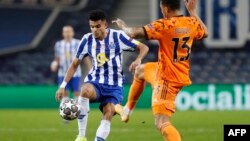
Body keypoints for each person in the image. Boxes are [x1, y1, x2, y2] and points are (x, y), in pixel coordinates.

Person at [112, 0, 208, 140]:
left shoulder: (164, 25)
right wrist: (193, 12)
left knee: (161, 123)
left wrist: (123, 26)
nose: (162, 11)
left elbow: (132, 33)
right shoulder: (191, 23)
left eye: (162, 9)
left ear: (166, 8)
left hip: (167, 80)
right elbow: (205, 33)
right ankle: (127, 110)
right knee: (140, 71)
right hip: (171, 70)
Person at [55, 9, 149, 141]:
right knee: (85, 90)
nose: (94, 30)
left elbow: (144, 47)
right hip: (96, 81)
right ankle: (81, 136)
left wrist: (138, 59)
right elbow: (74, 64)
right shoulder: (86, 40)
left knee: (108, 112)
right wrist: (63, 86)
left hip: (114, 85)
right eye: (92, 27)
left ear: (105, 25)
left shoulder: (118, 36)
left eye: (97, 26)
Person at [51, 25, 91, 100]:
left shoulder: (78, 43)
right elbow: (57, 58)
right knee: (64, 93)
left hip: (76, 73)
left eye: (69, 31)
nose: (68, 33)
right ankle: (65, 110)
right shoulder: (58, 44)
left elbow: (86, 58)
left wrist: (90, 69)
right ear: (63, 33)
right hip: (63, 73)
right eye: (66, 32)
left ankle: (77, 110)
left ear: (73, 33)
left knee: (77, 93)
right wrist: (54, 64)